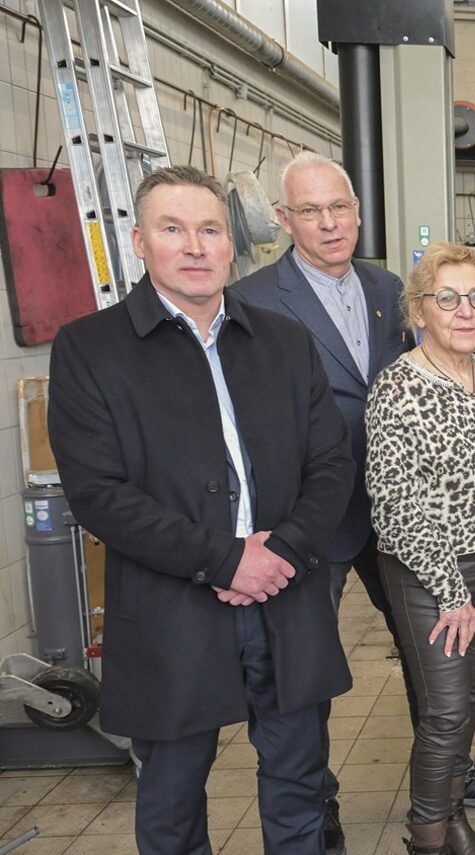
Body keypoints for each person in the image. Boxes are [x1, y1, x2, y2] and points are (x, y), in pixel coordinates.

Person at [47, 165, 354, 854]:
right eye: (173, 229)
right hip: (172, 611)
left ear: (230, 244)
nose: (194, 246)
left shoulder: (283, 341)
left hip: (285, 598)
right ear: (139, 242)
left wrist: (279, 552)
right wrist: (223, 559)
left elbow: (332, 463)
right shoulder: (91, 349)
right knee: (173, 801)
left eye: (210, 229)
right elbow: (97, 493)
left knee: (300, 785)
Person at [236, 153, 475, 854]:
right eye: (310, 210)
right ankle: (313, 804)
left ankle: (446, 789)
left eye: (339, 206)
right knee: (302, 672)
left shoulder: (384, 287)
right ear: (283, 219)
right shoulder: (252, 299)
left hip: (408, 523)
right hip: (313, 518)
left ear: (359, 210)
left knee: (442, 681)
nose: (329, 222)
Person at [365, 242, 475, 855]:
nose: (466, 311)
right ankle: (428, 837)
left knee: (468, 700)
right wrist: (450, 590)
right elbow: (393, 504)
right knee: (443, 711)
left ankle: (453, 814)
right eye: (448, 298)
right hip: (429, 573)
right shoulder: (398, 388)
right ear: (419, 310)